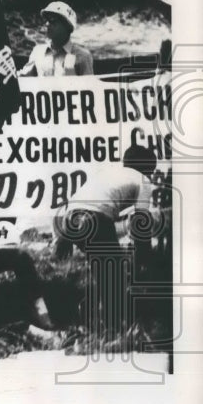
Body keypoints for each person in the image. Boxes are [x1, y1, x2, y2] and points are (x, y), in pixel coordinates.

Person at [57, 144, 159, 342]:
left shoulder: (109, 172)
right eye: (151, 171)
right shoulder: (142, 179)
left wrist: (64, 238)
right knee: (114, 278)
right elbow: (141, 224)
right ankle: (114, 333)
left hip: (70, 218)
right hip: (95, 219)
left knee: (104, 273)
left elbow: (82, 202)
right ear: (146, 168)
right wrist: (145, 259)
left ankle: (91, 323)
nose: (152, 175)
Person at [20, 1, 94, 77]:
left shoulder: (83, 56)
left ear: (67, 26)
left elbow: (89, 86)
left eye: (52, 20)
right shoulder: (37, 52)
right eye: (46, 20)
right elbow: (24, 78)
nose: (47, 24)